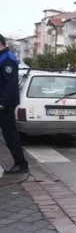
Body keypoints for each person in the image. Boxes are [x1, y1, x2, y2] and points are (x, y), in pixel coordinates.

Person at [0, 34, 28, 174]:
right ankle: (20, 163)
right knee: (8, 134)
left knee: (10, 134)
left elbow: (10, 83)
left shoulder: (8, 58)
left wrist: (2, 102)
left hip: (5, 104)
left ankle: (21, 164)